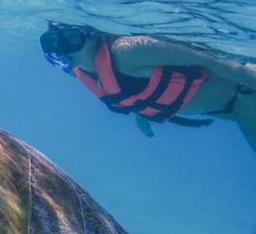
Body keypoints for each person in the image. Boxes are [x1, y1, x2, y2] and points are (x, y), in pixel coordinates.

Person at [40, 21, 256, 151]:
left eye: (71, 38)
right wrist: (141, 115)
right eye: (53, 42)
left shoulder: (127, 52)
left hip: (245, 96)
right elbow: (135, 90)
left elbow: (214, 62)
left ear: (93, 35)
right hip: (229, 110)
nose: (63, 49)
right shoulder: (81, 73)